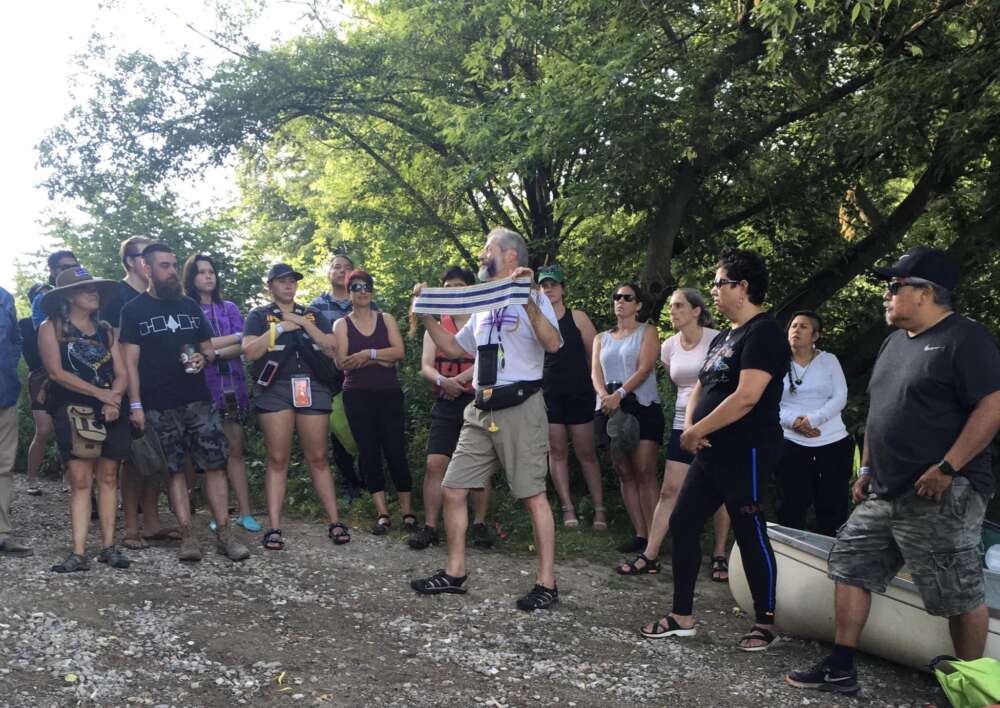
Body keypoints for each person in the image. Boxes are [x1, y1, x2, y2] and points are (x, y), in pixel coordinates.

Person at [787, 247, 1000, 695]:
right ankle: (841, 667)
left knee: (957, 593)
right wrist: (866, 467)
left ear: (924, 293)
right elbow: (882, 410)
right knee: (850, 566)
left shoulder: (967, 339)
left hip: (944, 490)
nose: (886, 295)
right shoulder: (893, 342)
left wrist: (948, 466)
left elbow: (993, 406)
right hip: (884, 488)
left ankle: (970, 689)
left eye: (894, 287)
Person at [640, 247, 788, 652]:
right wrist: (691, 427)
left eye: (721, 283)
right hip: (710, 450)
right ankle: (682, 615)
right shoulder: (725, 336)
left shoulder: (765, 333)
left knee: (748, 529)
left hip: (749, 450)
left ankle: (766, 623)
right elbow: (702, 385)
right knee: (684, 522)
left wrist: (696, 430)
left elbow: (747, 396)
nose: (715, 290)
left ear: (742, 288)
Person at [410, 227, 563, 612]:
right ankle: (455, 574)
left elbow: (554, 344)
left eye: (488, 249)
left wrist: (528, 300)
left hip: (521, 405)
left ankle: (547, 584)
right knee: (453, 488)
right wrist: (427, 313)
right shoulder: (482, 303)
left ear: (511, 256)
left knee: (533, 495)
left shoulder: (534, 295)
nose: (481, 255)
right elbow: (450, 346)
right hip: (480, 407)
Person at [120, 242, 249, 563]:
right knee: (175, 470)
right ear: (147, 269)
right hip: (158, 403)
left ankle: (225, 534)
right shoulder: (133, 310)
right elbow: (129, 365)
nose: (172, 271)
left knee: (215, 465)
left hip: (198, 401)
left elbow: (207, 349)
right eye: (165, 265)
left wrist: (201, 358)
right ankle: (188, 535)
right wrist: (135, 405)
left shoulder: (189, 306)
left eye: (174, 264)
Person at [616, 288, 728, 579]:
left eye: (679, 306)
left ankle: (718, 555)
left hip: (714, 422)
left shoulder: (718, 340)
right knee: (669, 490)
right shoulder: (668, 346)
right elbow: (680, 386)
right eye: (670, 307)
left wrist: (702, 423)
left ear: (696, 311)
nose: (672, 311)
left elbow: (721, 386)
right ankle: (650, 555)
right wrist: (688, 422)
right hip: (682, 423)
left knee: (720, 490)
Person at [243, 263, 348, 549]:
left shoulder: (312, 313)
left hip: (312, 386)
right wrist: (280, 329)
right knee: (278, 459)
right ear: (271, 286)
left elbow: (332, 347)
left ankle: (335, 522)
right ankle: (274, 527)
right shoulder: (258, 315)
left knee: (318, 457)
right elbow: (250, 351)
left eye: (292, 281)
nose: (289, 285)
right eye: (282, 281)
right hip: (275, 388)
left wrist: (302, 323)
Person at [38, 267, 132, 572]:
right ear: (69, 296)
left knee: (108, 477)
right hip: (72, 410)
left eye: (95, 289)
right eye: (86, 289)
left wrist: (114, 397)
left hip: (111, 409)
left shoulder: (106, 330)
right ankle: (78, 552)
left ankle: (108, 547)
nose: (94, 293)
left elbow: (121, 373)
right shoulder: (51, 328)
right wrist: (100, 394)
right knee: (80, 480)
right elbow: (56, 373)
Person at [409, 266, 493, 551]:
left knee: (479, 468)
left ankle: (479, 524)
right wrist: (445, 381)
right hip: (446, 402)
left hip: (478, 400)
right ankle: (430, 527)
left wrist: (459, 380)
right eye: (447, 286)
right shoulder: (436, 325)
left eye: (459, 285)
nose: (453, 290)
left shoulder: (483, 321)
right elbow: (425, 366)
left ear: (469, 289)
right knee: (435, 463)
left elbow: (491, 358)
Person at [100, 235, 171, 550]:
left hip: (160, 384)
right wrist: (125, 393)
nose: (149, 261)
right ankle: (130, 527)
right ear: (130, 261)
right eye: (143, 255)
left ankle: (153, 522)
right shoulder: (118, 295)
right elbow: (116, 346)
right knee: (134, 458)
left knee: (156, 456)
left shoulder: (160, 296)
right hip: (129, 387)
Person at [182, 254, 261, 533]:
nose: (208, 276)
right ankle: (217, 512)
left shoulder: (228, 307)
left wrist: (212, 352)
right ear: (191, 277)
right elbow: (190, 346)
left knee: (235, 450)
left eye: (211, 272)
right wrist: (233, 340)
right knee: (208, 455)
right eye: (201, 272)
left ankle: (245, 511)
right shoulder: (186, 309)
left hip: (233, 386)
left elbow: (246, 343)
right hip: (201, 388)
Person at [333, 269, 413, 535]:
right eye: (356, 287)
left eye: (366, 286)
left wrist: (368, 354)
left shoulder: (386, 319)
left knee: (395, 450)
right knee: (368, 452)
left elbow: (399, 352)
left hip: (388, 393)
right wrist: (383, 358)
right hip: (357, 395)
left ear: (372, 290)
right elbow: (342, 362)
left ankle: (408, 511)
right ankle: (382, 513)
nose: (362, 290)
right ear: (348, 292)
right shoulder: (341, 325)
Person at [591, 283, 662, 554]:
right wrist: (604, 397)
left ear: (639, 304)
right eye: (616, 297)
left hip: (642, 405)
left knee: (644, 469)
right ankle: (640, 534)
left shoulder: (648, 332)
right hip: (611, 409)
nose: (620, 301)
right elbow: (595, 373)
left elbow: (644, 368)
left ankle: (656, 536)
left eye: (627, 297)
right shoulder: (601, 338)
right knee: (624, 470)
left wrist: (620, 393)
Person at [538, 264, 606, 531]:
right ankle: (567, 507)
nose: (548, 289)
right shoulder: (537, 320)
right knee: (556, 452)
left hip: (579, 393)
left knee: (587, 452)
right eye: (544, 285)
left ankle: (600, 507)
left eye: (553, 284)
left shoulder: (578, 317)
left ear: (563, 288)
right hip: (549, 395)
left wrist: (597, 390)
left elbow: (595, 356)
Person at [775, 310, 853, 536]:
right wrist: (793, 421)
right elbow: (768, 400)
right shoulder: (777, 363)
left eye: (803, 327)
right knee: (791, 506)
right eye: (793, 326)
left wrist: (812, 420)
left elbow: (840, 396)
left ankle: (830, 562)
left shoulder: (829, 361)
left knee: (832, 507)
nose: (796, 330)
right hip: (790, 443)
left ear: (815, 336)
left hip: (832, 442)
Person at [310, 253, 368, 500]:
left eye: (347, 267)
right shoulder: (316, 306)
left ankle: (370, 480)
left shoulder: (365, 299)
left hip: (363, 373)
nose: (342, 271)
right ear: (329, 273)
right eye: (337, 267)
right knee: (338, 432)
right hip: (331, 377)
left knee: (365, 428)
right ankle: (349, 484)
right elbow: (312, 342)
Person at [0, 285, 32, 557]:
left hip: (3, 393)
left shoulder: (3, 297)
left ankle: (1, 533)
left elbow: (14, 339)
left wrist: (8, 368)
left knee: (3, 466)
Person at [20, 283, 54, 495]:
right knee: (43, 430)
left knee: (68, 429)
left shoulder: (65, 322)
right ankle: (31, 478)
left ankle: (67, 479)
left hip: (62, 373)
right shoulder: (26, 324)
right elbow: (31, 356)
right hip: (40, 375)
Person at [31, 250, 80, 328]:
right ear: (52, 272)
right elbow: (41, 332)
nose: (71, 271)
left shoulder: (90, 293)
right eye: (65, 268)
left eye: (75, 267)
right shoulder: (43, 298)